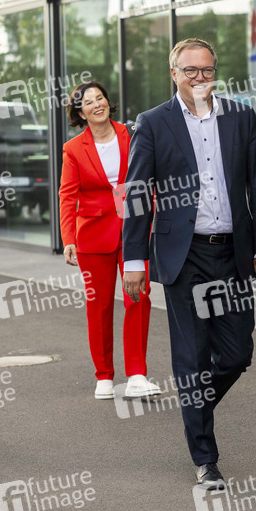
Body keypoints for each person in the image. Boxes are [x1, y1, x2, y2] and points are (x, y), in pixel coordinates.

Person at [122, 38, 256, 489]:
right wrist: (134, 259)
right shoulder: (153, 122)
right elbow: (137, 194)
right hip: (183, 255)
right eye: (189, 70)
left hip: (232, 252)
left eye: (206, 69)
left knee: (237, 353)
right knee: (191, 357)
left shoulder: (240, 116)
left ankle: (195, 404)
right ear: (174, 73)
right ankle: (205, 458)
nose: (199, 77)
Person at [59, 80, 161, 400]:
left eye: (100, 98)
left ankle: (137, 375)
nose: (97, 104)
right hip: (93, 235)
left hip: (134, 229)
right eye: (88, 102)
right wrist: (68, 237)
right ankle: (103, 375)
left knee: (138, 297)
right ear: (80, 113)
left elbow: (149, 177)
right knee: (99, 305)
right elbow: (67, 195)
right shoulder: (73, 148)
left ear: (108, 102)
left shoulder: (132, 134)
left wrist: (153, 216)